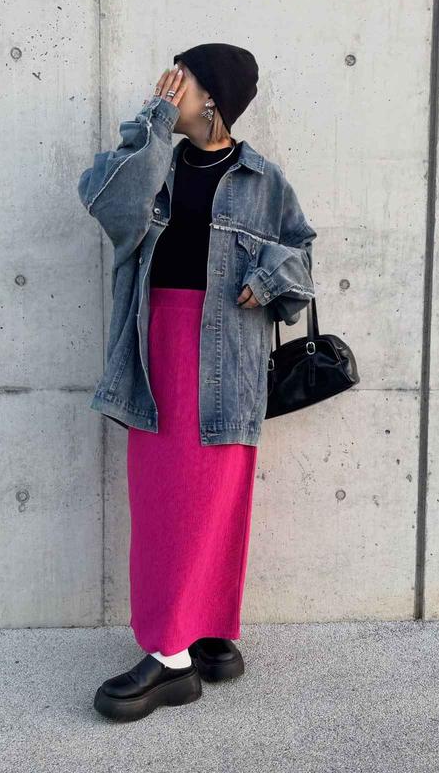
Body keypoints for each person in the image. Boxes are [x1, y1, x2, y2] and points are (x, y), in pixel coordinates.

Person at [77, 43, 317, 722]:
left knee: (215, 498)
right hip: (160, 346)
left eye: (179, 77)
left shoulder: (263, 179)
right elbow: (109, 203)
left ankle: (188, 647)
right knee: (165, 500)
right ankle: (178, 645)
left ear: (211, 95)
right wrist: (154, 122)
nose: (166, 84)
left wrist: (265, 278)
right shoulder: (154, 163)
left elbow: (301, 255)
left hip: (231, 357)